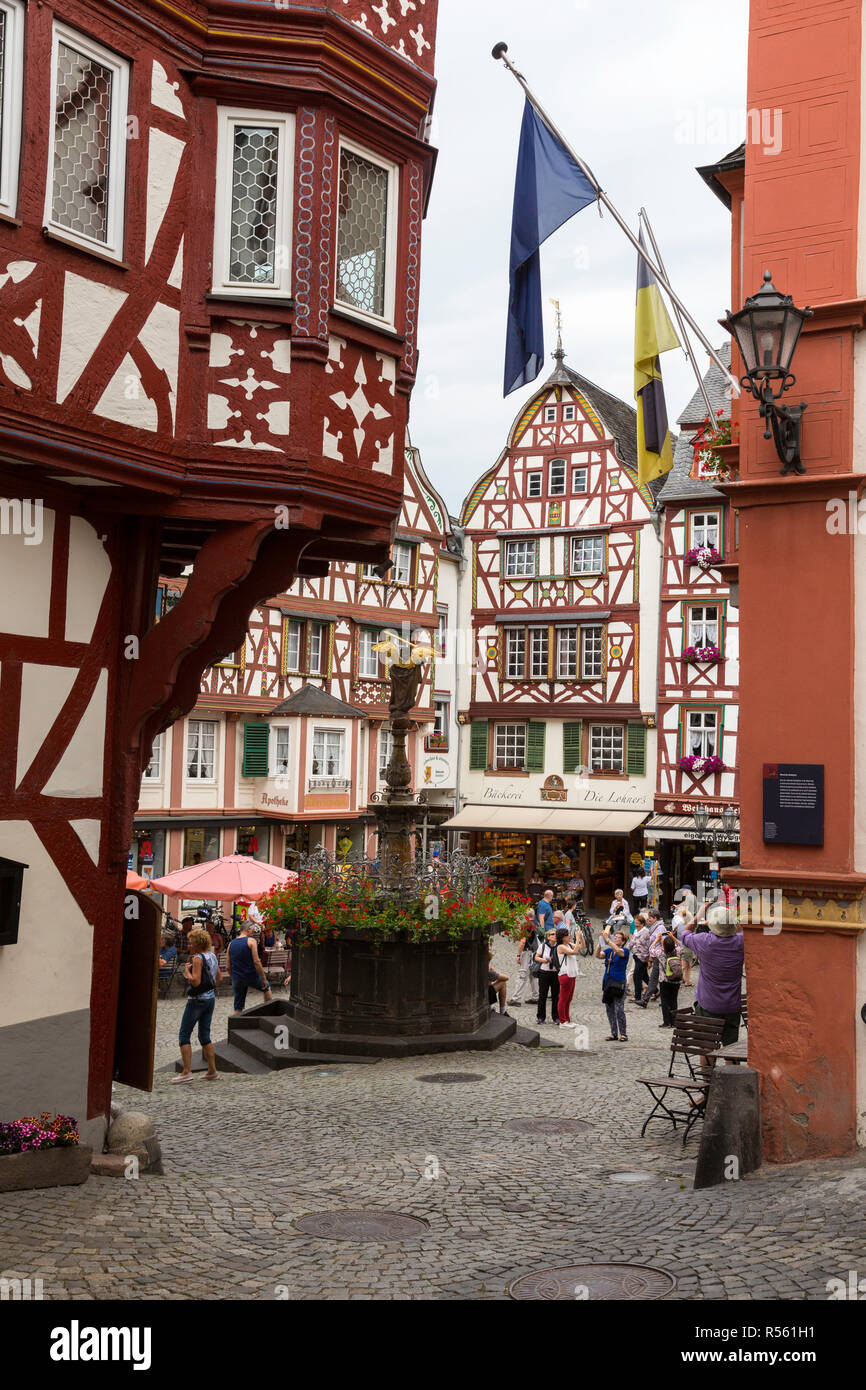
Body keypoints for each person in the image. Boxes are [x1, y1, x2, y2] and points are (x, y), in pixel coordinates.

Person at [681, 907, 745, 1048]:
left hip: (708, 1004)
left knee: (707, 1047)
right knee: (731, 1048)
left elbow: (685, 934)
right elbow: (741, 931)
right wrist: (732, 921)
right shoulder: (741, 942)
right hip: (732, 1005)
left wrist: (698, 915)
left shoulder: (705, 941)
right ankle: (732, 1069)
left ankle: (707, 1070)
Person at [173, 927, 221, 1083]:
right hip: (210, 999)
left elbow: (196, 981)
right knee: (204, 1035)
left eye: (191, 942)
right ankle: (212, 1071)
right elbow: (218, 979)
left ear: (198, 943)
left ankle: (186, 1071)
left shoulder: (197, 958)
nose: (189, 945)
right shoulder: (212, 956)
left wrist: (187, 973)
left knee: (184, 1034)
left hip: (196, 1001)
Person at [227, 924, 273, 1014]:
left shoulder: (231, 944)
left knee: (238, 1007)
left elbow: (228, 966)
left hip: (237, 978)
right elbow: (256, 961)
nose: (253, 932)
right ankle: (268, 1012)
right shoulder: (251, 941)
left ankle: (237, 1025)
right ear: (248, 929)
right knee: (267, 988)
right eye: (252, 930)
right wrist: (264, 978)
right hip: (251, 975)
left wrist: (234, 977)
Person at [596, 927, 629, 1042]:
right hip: (608, 982)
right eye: (614, 937)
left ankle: (623, 1033)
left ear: (623, 941)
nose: (615, 938)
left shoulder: (625, 951)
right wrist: (600, 942)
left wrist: (608, 941)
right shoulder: (609, 951)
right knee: (609, 1009)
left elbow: (619, 952)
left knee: (619, 1009)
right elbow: (597, 955)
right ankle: (613, 1033)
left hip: (619, 983)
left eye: (618, 937)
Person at [635, 909, 666, 1007]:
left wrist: (651, 958)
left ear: (655, 918)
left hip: (659, 956)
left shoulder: (660, 927)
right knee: (658, 978)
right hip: (656, 956)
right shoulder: (654, 927)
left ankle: (645, 1000)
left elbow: (659, 942)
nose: (648, 920)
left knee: (655, 978)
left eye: (650, 918)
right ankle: (663, 999)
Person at [509, 911, 539, 1007]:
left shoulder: (526, 925)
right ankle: (536, 997)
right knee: (533, 975)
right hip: (535, 952)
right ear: (533, 915)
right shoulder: (536, 923)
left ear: (526, 916)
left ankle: (515, 999)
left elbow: (523, 941)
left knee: (522, 975)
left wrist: (518, 955)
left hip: (527, 952)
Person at [534, 926, 561, 1026]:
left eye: (556, 934)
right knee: (542, 995)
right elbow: (536, 957)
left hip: (555, 973)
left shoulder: (560, 946)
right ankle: (541, 1017)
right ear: (548, 937)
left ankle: (556, 1017)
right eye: (552, 934)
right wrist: (544, 960)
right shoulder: (543, 946)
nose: (554, 936)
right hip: (544, 972)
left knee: (556, 996)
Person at [556, 927, 581, 1027]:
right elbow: (574, 952)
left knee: (569, 999)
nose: (569, 936)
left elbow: (581, 947)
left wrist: (581, 937)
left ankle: (567, 1020)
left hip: (572, 974)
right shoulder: (561, 947)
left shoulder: (569, 944)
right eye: (567, 935)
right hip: (565, 974)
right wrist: (577, 938)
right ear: (562, 938)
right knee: (563, 998)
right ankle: (562, 1021)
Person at [659, 933, 683, 1027]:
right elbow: (681, 945)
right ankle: (674, 1021)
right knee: (674, 1000)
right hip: (676, 980)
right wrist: (673, 937)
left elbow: (651, 949)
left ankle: (666, 1021)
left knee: (665, 1001)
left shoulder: (661, 954)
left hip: (665, 980)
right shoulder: (678, 952)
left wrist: (657, 939)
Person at [631, 917, 652, 1003]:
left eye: (637, 922)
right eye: (635, 921)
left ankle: (637, 996)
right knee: (644, 976)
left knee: (636, 976)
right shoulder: (636, 931)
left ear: (642, 923)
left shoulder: (645, 931)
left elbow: (641, 942)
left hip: (643, 956)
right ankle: (656, 991)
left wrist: (635, 942)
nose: (635, 923)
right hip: (636, 955)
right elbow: (632, 941)